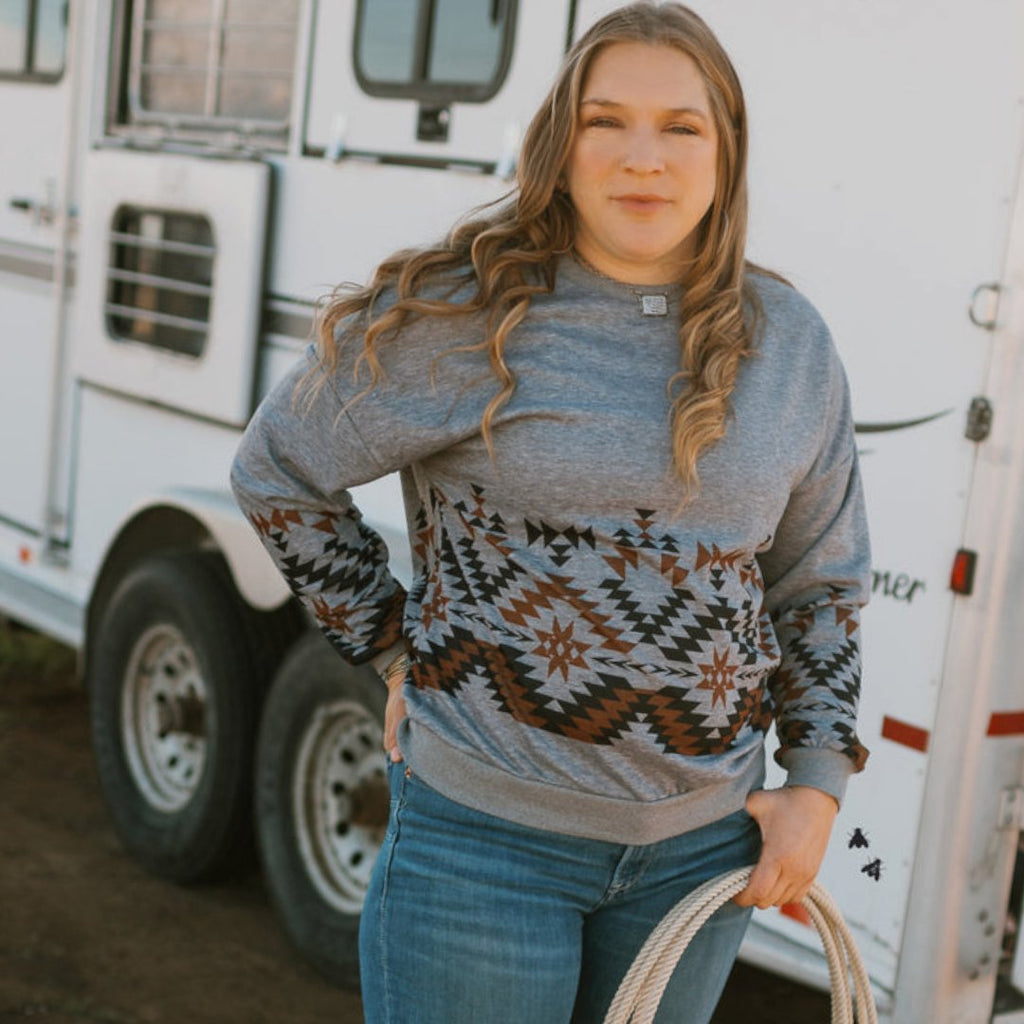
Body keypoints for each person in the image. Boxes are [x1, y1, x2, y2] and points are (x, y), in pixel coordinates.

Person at [230, 3, 871, 1021]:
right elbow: (278, 470)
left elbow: (819, 579)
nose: (641, 158)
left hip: (700, 855)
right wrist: (396, 647)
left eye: (681, 126)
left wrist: (817, 781)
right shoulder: (460, 315)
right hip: (481, 847)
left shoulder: (789, 343)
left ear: (726, 151)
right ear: (558, 144)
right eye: (604, 120)